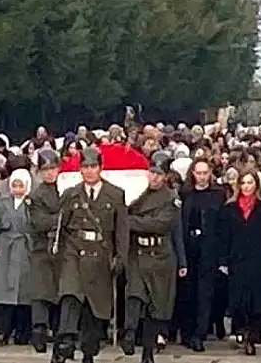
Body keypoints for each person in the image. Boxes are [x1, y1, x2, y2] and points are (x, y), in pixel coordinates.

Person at [53, 148, 128, 363]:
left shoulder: (115, 194)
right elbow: (61, 225)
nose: (89, 171)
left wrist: (120, 257)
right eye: (85, 167)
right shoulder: (71, 194)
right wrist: (58, 250)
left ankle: (89, 351)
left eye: (93, 167)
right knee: (70, 294)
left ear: (101, 168)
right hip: (74, 252)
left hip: (101, 255)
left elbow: (121, 229)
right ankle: (66, 340)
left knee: (95, 309)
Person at [121, 164, 183, 363]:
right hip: (138, 253)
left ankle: (148, 351)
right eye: (152, 173)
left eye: (159, 174)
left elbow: (160, 224)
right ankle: (129, 333)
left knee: (156, 307)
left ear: (165, 176)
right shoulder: (138, 194)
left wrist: (129, 222)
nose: (154, 178)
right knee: (134, 294)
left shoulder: (170, 198)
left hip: (160, 256)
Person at [218, 170, 261, 356]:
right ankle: (240, 330)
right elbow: (223, 237)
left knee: (257, 299)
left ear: (256, 185)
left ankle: (253, 335)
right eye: (243, 183)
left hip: (259, 259)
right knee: (238, 299)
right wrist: (223, 260)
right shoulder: (229, 209)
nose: (246, 187)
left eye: (250, 183)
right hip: (236, 259)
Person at [175, 158, 226, 352]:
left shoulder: (218, 194)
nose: (202, 177)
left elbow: (222, 225)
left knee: (205, 293)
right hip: (189, 248)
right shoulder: (185, 194)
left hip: (209, 248)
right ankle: (186, 332)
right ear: (193, 173)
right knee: (187, 292)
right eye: (199, 173)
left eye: (205, 173)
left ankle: (199, 333)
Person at [0, 168, 34, 346]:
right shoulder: (1, 203)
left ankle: (23, 332)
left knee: (24, 295)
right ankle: (3, 331)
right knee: (3, 294)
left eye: (21, 185)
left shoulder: (32, 204)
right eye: (14, 185)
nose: (17, 189)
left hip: (24, 250)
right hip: (5, 251)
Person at [26, 148, 62, 352]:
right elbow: (39, 222)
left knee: (62, 293)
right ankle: (38, 332)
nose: (50, 173)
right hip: (42, 249)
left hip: (63, 250)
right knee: (41, 294)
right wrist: (61, 219)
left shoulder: (66, 189)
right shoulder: (37, 195)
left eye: (53, 168)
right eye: (46, 169)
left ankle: (60, 332)